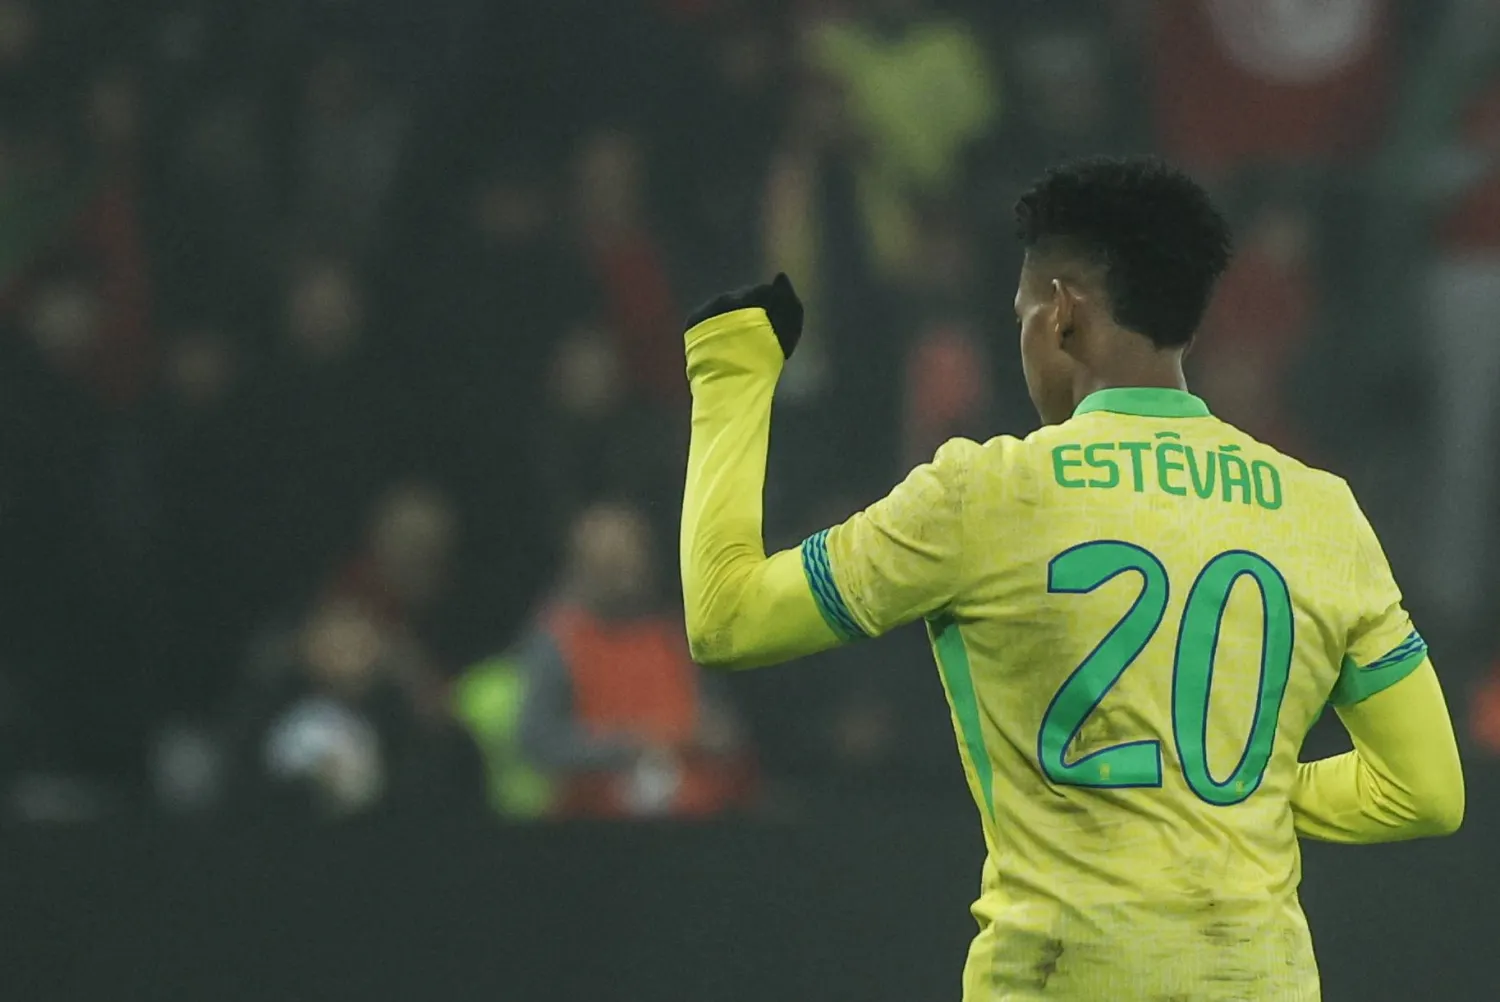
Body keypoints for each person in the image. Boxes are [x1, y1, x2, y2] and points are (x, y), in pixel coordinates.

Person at [678, 157, 1464, 1000]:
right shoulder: (1322, 513)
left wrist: (732, 371)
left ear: (1060, 314)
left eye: (1020, 311)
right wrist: (1248, 793)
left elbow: (728, 617)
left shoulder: (985, 495)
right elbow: (1424, 792)